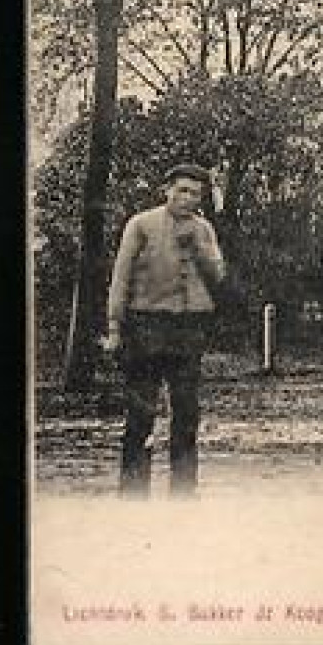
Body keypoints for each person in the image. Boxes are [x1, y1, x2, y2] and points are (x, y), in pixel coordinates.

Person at [105, 163, 228, 495]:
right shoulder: (141, 224)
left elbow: (218, 276)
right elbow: (120, 278)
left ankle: (183, 492)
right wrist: (115, 326)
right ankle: (133, 492)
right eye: (182, 190)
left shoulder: (203, 229)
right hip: (146, 326)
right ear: (167, 190)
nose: (188, 199)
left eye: (196, 194)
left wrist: (200, 249)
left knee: (187, 412)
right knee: (140, 412)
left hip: (189, 329)